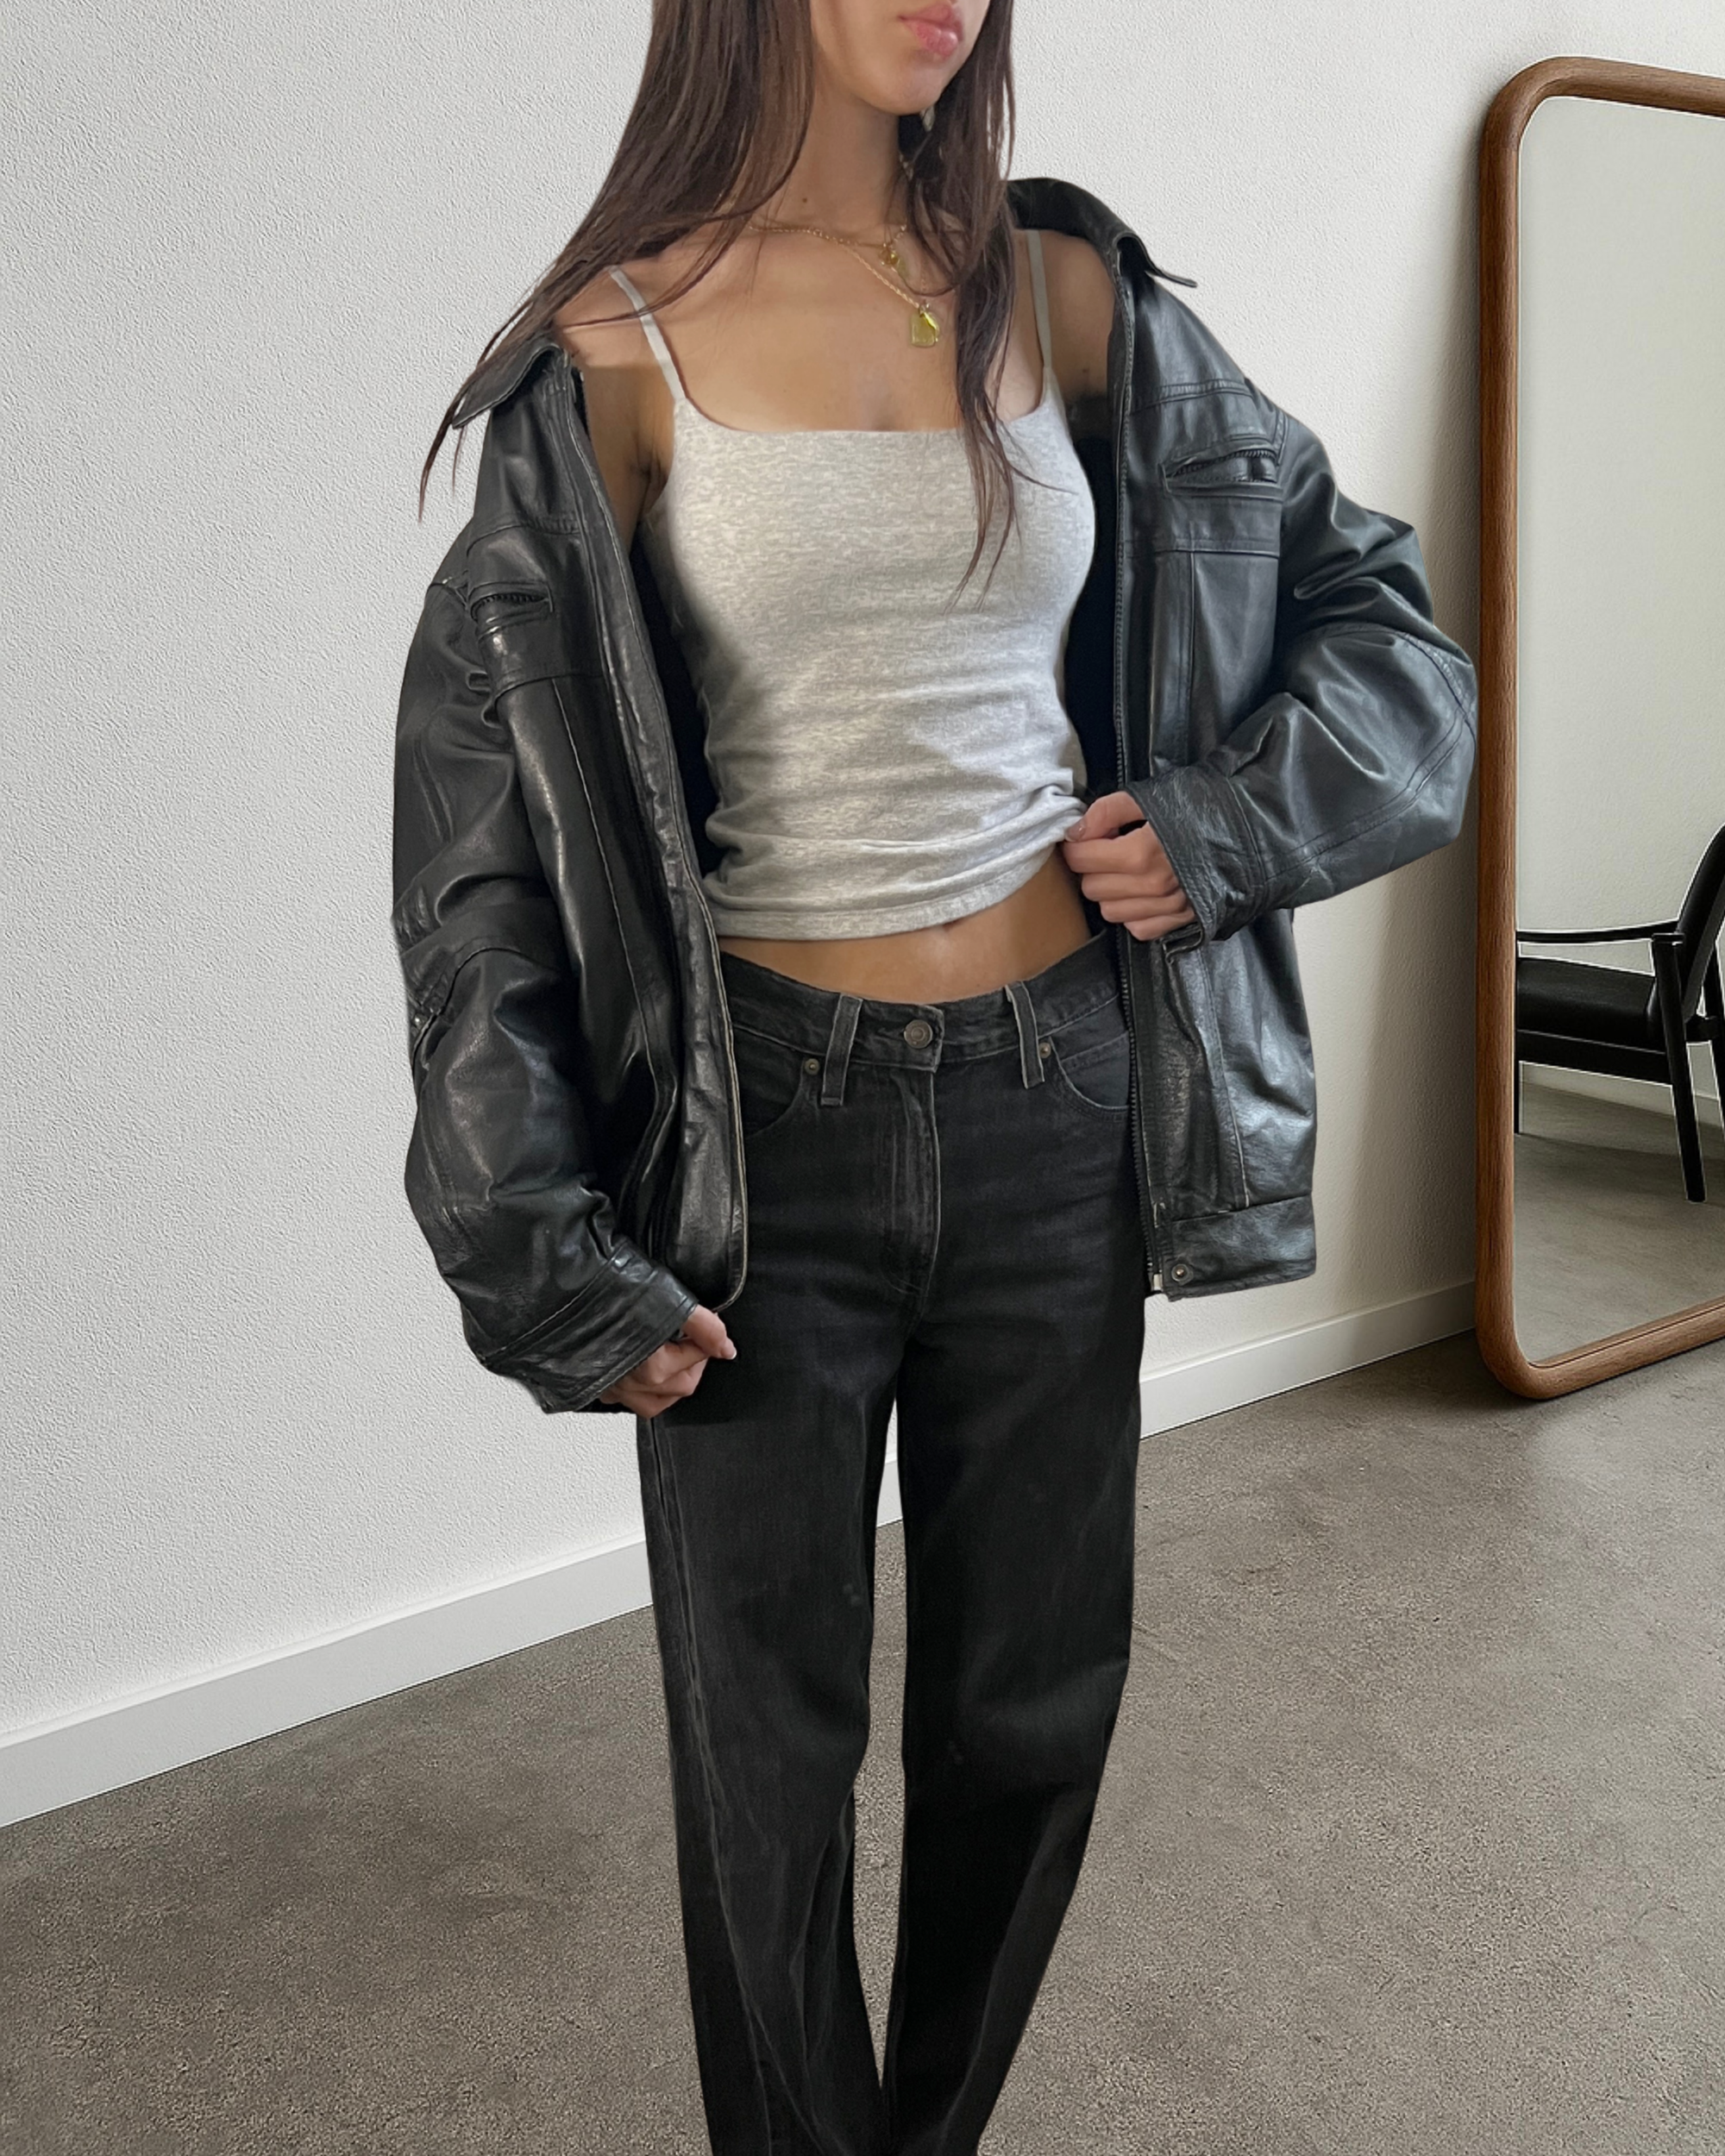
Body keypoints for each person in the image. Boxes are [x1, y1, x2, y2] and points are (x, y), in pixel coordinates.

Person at [391, 3, 1478, 2150]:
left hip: (1058, 1098)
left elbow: (1385, 624)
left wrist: (1225, 823)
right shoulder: (613, 343)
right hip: (760, 1138)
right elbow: (478, 861)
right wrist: (533, 1237)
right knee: (766, 1751)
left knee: (1029, 1712)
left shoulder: (1067, 294)